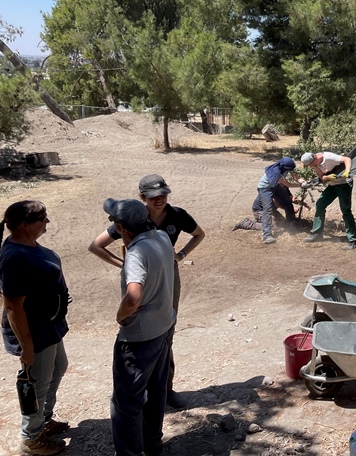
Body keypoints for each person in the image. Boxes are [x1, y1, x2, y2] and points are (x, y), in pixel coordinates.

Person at [88, 174, 203, 409]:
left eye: (163, 194)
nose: (159, 199)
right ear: (143, 198)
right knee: (140, 328)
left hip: (167, 274)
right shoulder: (133, 217)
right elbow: (96, 246)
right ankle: (143, 391)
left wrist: (180, 255)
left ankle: (164, 388)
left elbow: (199, 234)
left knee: (166, 328)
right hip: (139, 278)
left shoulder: (177, 215)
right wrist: (125, 264)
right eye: (153, 196)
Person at [104, 198, 175, 456]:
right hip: (164, 326)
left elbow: (133, 295)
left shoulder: (135, 253)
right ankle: (152, 446)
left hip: (140, 337)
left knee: (126, 403)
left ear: (121, 228)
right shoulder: (161, 237)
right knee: (155, 393)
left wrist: (121, 316)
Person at [0, 201, 70, 456]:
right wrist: (27, 348)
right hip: (34, 332)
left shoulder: (25, 245)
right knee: (36, 384)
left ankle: (44, 420)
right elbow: (12, 307)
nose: (47, 223)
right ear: (24, 225)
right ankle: (31, 438)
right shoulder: (15, 257)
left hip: (48, 326)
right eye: (42, 219)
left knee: (58, 368)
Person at [301, 151, 356, 250]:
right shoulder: (316, 165)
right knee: (320, 205)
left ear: (312, 161)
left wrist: (347, 171)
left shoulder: (328, 157)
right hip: (333, 186)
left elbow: (346, 159)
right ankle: (317, 234)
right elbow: (322, 177)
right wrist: (328, 177)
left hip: (344, 186)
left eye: (310, 165)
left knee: (346, 211)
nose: (310, 167)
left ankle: (353, 241)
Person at [253, 156, 302, 244]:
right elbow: (288, 184)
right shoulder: (276, 172)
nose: (290, 170)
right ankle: (267, 235)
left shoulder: (286, 167)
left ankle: (292, 223)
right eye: (289, 169)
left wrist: (302, 181)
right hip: (265, 188)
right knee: (267, 210)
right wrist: (300, 185)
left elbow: (295, 175)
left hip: (275, 185)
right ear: (284, 167)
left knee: (287, 201)